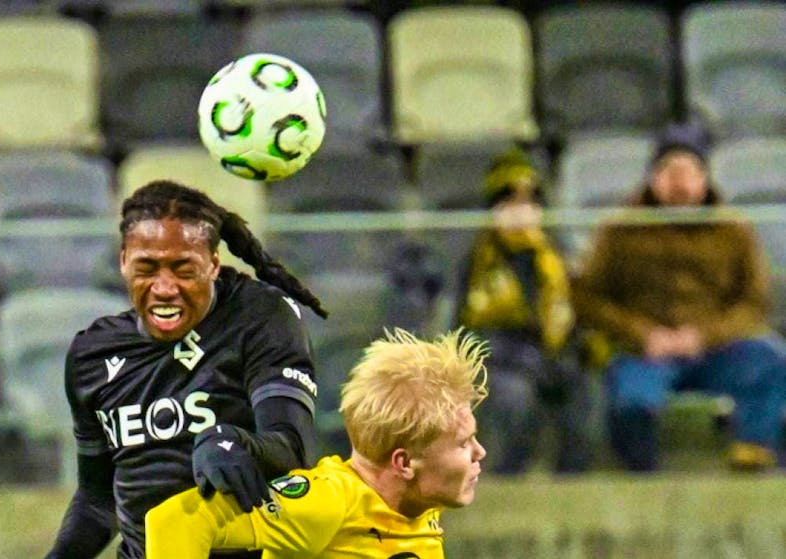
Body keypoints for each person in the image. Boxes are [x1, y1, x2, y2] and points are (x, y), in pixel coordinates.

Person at [46, 180, 328, 559]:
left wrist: (233, 441)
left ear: (213, 265)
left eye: (184, 270)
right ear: (123, 261)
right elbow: (98, 501)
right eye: (147, 268)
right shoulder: (92, 354)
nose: (165, 288)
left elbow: (293, 448)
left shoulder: (259, 316)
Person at [144, 327, 489, 558]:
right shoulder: (326, 503)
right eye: (463, 443)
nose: (480, 452)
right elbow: (174, 521)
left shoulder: (420, 506)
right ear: (404, 463)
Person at [572, 123, 786, 472]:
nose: (680, 183)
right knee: (630, 403)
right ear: (653, 178)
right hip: (643, 352)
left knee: (770, 360)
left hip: (716, 349)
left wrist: (703, 336)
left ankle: (753, 455)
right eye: (670, 172)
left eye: (689, 172)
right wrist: (642, 335)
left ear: (705, 178)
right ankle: (643, 476)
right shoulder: (619, 230)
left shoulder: (735, 230)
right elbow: (587, 298)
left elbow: (754, 302)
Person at [456, 147, 592, 475]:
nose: (521, 212)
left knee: (585, 392)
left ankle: (572, 481)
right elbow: (465, 330)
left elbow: (574, 318)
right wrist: (523, 360)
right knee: (516, 398)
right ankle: (508, 479)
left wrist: (573, 354)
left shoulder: (555, 256)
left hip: (553, 358)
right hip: (500, 362)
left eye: (529, 203)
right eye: (510, 203)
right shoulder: (475, 260)